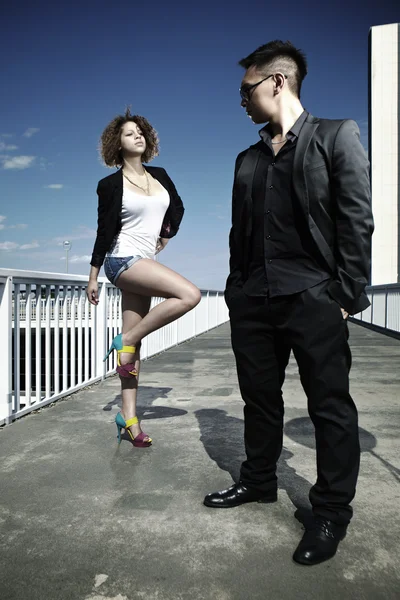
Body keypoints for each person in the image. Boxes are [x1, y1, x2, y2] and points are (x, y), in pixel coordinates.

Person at [203, 41, 374, 566]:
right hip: (254, 299)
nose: (241, 102)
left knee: (330, 408)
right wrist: (236, 289)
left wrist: (345, 295)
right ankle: (258, 481)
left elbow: (356, 218)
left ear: (277, 82)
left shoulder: (335, 135)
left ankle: (329, 512)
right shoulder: (247, 159)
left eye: (245, 90)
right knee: (259, 398)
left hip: (313, 296)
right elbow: (240, 233)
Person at [87, 109, 201, 448]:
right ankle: (125, 340)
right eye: (128, 133)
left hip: (144, 260)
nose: (137, 136)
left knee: (133, 346)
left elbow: (177, 207)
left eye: (140, 132)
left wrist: (166, 234)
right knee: (189, 295)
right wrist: (93, 276)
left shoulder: (160, 175)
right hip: (121, 260)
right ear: (117, 145)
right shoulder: (109, 185)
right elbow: (104, 231)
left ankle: (129, 419)